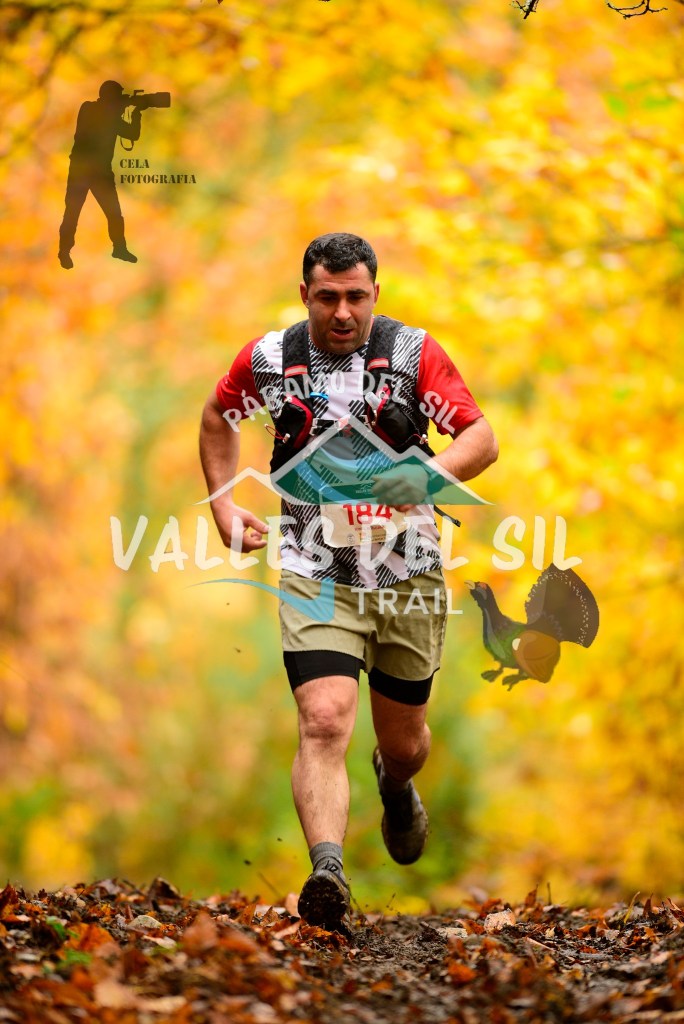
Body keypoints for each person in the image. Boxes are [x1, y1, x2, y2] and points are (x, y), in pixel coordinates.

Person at [199, 233, 498, 932]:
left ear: (375, 295)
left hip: (406, 573)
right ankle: (327, 872)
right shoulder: (270, 360)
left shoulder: (413, 354)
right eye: (327, 297)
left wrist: (426, 478)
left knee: (405, 744)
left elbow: (481, 439)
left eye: (355, 297)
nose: (342, 312)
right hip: (313, 569)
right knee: (325, 718)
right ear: (304, 293)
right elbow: (217, 416)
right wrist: (223, 504)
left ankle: (395, 783)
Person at [58, 81, 140, 269]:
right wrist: (122, 109)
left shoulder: (112, 116)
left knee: (114, 213)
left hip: (100, 171)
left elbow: (132, 134)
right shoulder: (89, 108)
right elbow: (104, 119)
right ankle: (64, 251)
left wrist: (136, 114)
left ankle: (119, 248)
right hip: (82, 169)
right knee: (72, 212)